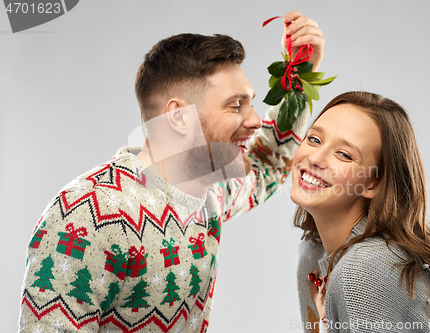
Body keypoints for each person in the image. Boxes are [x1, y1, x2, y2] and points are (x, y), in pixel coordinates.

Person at [19, 11, 325, 332]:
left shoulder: (210, 193)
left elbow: (267, 162)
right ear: (180, 117)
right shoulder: (85, 214)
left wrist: (300, 72)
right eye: (236, 105)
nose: (254, 120)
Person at [291, 91, 430, 333]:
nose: (315, 157)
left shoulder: (364, 269)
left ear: (373, 183)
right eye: (314, 139)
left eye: (344, 155)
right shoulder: (312, 255)